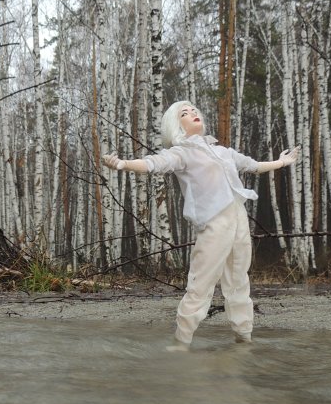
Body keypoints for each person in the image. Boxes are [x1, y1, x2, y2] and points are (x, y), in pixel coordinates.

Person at [102, 100, 299, 349]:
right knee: (201, 283)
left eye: (194, 110)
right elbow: (154, 164)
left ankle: (244, 339)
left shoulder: (223, 151)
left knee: (239, 281)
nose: (193, 113)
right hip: (213, 224)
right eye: (185, 113)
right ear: (176, 125)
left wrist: (282, 162)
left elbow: (253, 165)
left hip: (238, 220)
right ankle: (181, 343)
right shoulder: (181, 153)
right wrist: (123, 164)